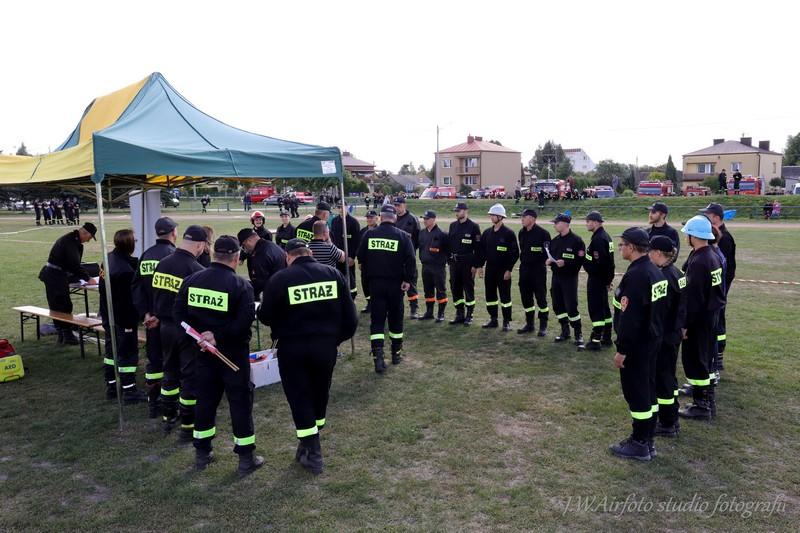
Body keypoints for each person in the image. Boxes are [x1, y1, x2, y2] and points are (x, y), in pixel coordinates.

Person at [259, 238, 358, 474]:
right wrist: (335, 340)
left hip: (292, 348)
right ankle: (310, 440)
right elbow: (351, 318)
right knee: (320, 393)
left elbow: (266, 316)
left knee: (299, 396)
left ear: (288, 256)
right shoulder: (333, 274)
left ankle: (313, 451)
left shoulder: (280, 279)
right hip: (325, 347)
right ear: (310, 252)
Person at [173, 236, 261, 475]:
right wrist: (216, 337)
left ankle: (202, 453)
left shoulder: (192, 280)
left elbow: (178, 315)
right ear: (236, 258)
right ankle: (246, 458)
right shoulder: (241, 285)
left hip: (202, 353)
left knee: (205, 401)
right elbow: (244, 323)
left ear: (213, 254)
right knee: (239, 403)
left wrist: (198, 337)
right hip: (232, 356)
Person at [609, 227, 666, 462]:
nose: (620, 248)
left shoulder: (636, 276)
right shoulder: (655, 271)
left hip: (637, 345)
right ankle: (647, 439)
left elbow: (630, 318)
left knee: (637, 392)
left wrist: (622, 350)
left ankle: (640, 443)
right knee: (649, 390)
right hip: (652, 341)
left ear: (631, 247)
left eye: (622, 244)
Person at [151, 225, 206, 441]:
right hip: (185, 330)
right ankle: (188, 425)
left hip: (164, 327)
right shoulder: (196, 270)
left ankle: (168, 417)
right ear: (200, 245)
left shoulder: (162, 264)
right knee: (189, 377)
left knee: (169, 372)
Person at [356, 204, 416, 373]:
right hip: (396, 285)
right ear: (395, 218)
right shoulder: (403, 236)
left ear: (381, 217)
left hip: (376, 285)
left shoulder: (369, 234)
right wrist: (408, 280)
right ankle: (396, 353)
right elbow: (411, 260)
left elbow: (361, 257)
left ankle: (378, 357)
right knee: (396, 319)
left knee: (377, 321)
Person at [678, 216, 726, 421]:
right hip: (711, 316)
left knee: (696, 361)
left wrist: (685, 324)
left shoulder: (699, 261)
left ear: (693, 236)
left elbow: (694, 297)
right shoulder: (712, 255)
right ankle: (708, 400)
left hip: (699, 320)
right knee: (706, 358)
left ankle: (701, 405)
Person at [132, 216, 178, 417]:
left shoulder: (146, 255)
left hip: (150, 320)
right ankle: (170, 406)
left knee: (154, 362)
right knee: (172, 364)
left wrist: (146, 313)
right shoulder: (173, 256)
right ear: (173, 232)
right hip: (168, 321)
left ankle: (153, 404)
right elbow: (173, 293)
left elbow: (137, 287)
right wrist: (158, 315)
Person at [99, 229, 147, 403]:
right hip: (123, 318)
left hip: (108, 314)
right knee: (127, 352)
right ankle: (129, 390)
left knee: (111, 351)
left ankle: (112, 386)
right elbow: (128, 299)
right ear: (130, 244)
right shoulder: (125, 270)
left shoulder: (108, 259)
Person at [648, 235, 685, 438]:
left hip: (664, 336)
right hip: (674, 334)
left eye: (649, 251)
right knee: (669, 376)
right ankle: (671, 418)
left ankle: (667, 423)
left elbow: (660, 312)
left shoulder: (664, 277)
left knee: (663, 379)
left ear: (657, 253)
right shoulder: (677, 272)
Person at [38, 222, 98, 344]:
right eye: (90, 237)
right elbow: (74, 265)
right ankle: (67, 335)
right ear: (84, 233)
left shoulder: (71, 240)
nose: (89, 240)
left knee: (56, 305)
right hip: (55, 275)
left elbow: (72, 264)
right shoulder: (70, 242)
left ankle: (62, 333)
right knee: (63, 305)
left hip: (54, 274)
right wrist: (88, 279)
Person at [700, 203, 736, 373]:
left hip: (719, 288)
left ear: (716, 217)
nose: (705, 217)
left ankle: (718, 355)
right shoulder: (714, 234)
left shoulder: (724, 238)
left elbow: (724, 267)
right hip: (716, 287)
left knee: (718, 320)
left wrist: (720, 290)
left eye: (707, 215)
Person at [475, 204, 519, 331]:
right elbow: (482, 251)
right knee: (490, 296)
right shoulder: (487, 233)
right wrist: (480, 266)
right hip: (490, 269)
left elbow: (515, 253)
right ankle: (493, 319)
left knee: (505, 297)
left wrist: (509, 269)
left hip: (503, 270)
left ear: (500, 217)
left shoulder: (509, 233)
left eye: (493, 215)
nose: (491, 217)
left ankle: (506, 321)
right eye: (491, 215)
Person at [546, 213, 585, 348]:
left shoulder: (577, 241)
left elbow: (580, 261)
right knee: (557, 305)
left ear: (565, 224)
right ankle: (565, 330)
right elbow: (552, 256)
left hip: (569, 278)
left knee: (571, 306)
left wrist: (566, 263)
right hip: (556, 277)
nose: (555, 225)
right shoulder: (555, 241)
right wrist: (549, 261)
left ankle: (578, 334)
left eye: (556, 223)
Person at [516, 208, 551, 336]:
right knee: (526, 298)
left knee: (541, 298)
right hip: (524, 269)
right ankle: (529, 324)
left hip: (538, 270)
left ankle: (543, 326)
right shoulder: (521, 232)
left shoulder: (543, 234)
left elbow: (547, 253)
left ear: (532, 219)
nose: (522, 219)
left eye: (524, 217)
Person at [583, 211, 615, 350]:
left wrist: (604, 280)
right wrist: (608, 279)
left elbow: (601, 263)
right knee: (604, 308)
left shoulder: (599, 239)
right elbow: (609, 263)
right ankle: (606, 337)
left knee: (596, 308)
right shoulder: (604, 236)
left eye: (588, 221)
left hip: (597, 279)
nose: (586, 224)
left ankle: (596, 340)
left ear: (596, 222)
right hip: (602, 279)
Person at [447, 202, 481, 326]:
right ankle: (459, 314)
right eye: (456, 211)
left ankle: (469, 315)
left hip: (467, 262)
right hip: (454, 262)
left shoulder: (474, 227)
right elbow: (449, 244)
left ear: (466, 211)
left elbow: (478, 248)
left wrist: (475, 265)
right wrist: (449, 261)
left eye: (459, 211)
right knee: (455, 287)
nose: (456, 213)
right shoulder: (452, 226)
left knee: (468, 288)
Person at [237, 227, 287, 301]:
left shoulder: (259, 255)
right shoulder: (272, 245)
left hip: (275, 295)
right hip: (284, 288)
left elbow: (259, 284)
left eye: (244, 245)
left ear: (249, 241)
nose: (244, 249)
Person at [417, 210, 449, 322]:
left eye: (427, 219)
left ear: (434, 219)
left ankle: (441, 313)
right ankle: (429, 312)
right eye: (424, 219)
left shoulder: (442, 234)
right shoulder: (422, 233)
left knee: (440, 290)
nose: (425, 221)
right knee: (428, 290)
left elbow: (447, 251)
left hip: (438, 267)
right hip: (425, 266)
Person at [393, 197, 421, 319]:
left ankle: (414, 309)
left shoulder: (412, 219)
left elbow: (418, 239)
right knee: (395, 285)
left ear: (405, 205)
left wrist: (411, 250)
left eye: (399, 205)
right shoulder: (393, 218)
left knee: (411, 284)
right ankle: (396, 309)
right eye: (395, 205)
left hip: (409, 258)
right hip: (395, 258)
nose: (396, 207)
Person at [331, 200, 361, 300]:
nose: (340, 209)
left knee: (350, 279)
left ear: (347, 207)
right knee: (338, 277)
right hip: (337, 256)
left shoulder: (353, 222)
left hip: (348, 257)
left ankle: (352, 298)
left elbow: (356, 241)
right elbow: (333, 238)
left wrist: (352, 256)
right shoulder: (334, 221)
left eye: (342, 207)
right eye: (339, 207)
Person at [358, 210, 379, 314]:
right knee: (365, 283)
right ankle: (369, 303)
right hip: (365, 263)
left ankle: (377, 303)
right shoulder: (362, 231)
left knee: (376, 284)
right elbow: (359, 247)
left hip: (376, 263)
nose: (369, 219)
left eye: (371, 217)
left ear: (377, 218)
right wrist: (360, 261)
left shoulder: (380, 231)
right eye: (368, 217)